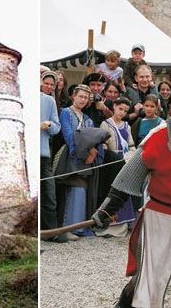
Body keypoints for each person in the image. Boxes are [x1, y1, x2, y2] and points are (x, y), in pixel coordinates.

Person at [91, 105, 171, 308]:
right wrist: (107, 209)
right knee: (150, 281)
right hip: (162, 217)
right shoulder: (159, 136)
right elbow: (129, 178)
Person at [56, 84, 105, 240]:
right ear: (73, 97)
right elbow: (68, 134)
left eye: (86, 97)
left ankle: (80, 226)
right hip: (71, 155)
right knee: (73, 187)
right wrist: (79, 153)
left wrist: (91, 153)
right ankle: (68, 227)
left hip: (86, 158)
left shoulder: (89, 119)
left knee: (84, 189)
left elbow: (93, 139)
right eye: (81, 96)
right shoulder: (66, 112)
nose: (83, 100)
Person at [97, 97, 136, 238]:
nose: (122, 113)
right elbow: (102, 144)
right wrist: (108, 153)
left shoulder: (127, 126)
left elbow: (131, 145)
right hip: (111, 163)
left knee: (123, 193)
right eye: (120, 109)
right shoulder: (105, 124)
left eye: (125, 111)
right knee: (111, 193)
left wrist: (130, 157)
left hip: (124, 162)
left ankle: (122, 226)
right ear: (114, 106)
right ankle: (108, 226)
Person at [40, 71, 67, 243]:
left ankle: (50, 232)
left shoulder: (50, 101)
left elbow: (57, 128)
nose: (49, 86)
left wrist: (49, 125)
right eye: (46, 83)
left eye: (52, 84)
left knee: (49, 192)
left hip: (44, 153)